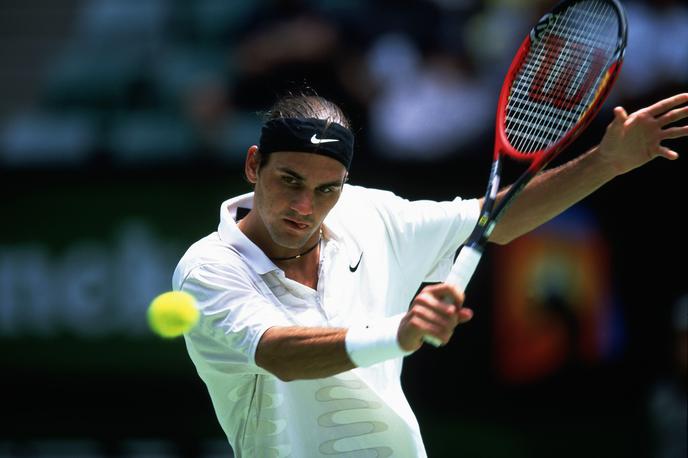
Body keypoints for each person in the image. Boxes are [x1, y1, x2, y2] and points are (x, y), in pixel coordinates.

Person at [173, 92, 688, 457]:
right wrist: (401, 332)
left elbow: (494, 219)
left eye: (328, 188)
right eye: (289, 181)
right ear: (252, 165)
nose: (306, 205)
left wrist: (606, 161)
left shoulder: (370, 216)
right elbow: (279, 353)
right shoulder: (208, 267)